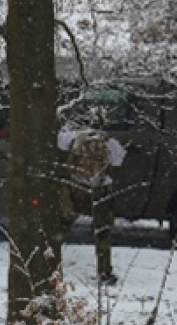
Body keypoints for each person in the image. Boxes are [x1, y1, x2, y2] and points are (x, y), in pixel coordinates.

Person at [57, 105, 126, 286]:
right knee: (102, 232)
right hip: (100, 189)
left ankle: (50, 262)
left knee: (61, 226)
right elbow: (118, 160)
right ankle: (105, 272)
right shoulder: (109, 142)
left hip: (75, 186)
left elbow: (60, 143)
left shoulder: (74, 137)